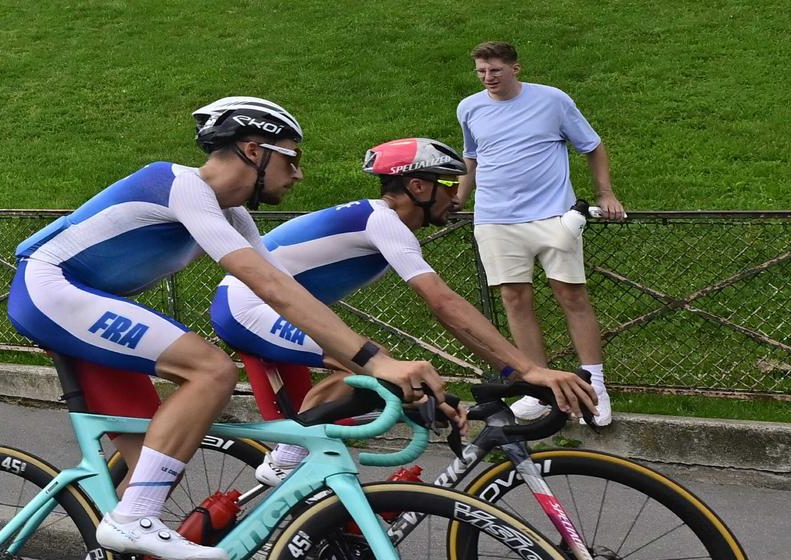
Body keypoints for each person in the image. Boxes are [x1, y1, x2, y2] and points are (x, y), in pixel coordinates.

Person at [7, 96, 445, 560]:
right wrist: (377, 361)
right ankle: (129, 522)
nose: (298, 175)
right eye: (292, 158)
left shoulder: (234, 216)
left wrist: (372, 365)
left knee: (158, 463)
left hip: (78, 299)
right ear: (254, 151)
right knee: (212, 371)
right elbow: (274, 289)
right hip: (49, 288)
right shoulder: (181, 185)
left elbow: (288, 300)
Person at [212, 137, 594, 487]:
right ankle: (282, 466)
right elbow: (444, 303)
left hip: (263, 308)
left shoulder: (378, 220)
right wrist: (527, 369)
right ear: (417, 187)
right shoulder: (381, 221)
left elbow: (446, 312)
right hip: (245, 306)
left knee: (367, 383)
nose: (457, 196)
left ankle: (300, 495)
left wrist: (511, 371)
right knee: (371, 363)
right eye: (446, 184)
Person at [457, 41, 625, 425]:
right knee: (514, 299)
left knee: (572, 294)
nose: (488, 79)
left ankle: (594, 385)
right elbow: (473, 156)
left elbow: (593, 146)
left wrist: (606, 193)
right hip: (494, 219)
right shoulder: (469, 107)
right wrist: (461, 197)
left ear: (516, 69)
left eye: (495, 71)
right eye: (481, 72)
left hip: (552, 215)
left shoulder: (553, 100)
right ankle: (539, 390)